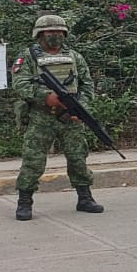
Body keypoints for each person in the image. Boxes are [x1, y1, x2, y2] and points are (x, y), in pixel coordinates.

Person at [11, 14, 103, 220]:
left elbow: (87, 84)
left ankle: (85, 198)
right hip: (40, 118)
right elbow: (20, 84)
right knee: (33, 161)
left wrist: (81, 109)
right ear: (40, 34)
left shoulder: (75, 57)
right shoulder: (28, 57)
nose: (55, 36)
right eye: (50, 32)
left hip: (70, 118)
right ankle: (24, 202)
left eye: (59, 32)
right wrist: (46, 97)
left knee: (78, 158)